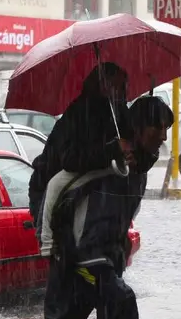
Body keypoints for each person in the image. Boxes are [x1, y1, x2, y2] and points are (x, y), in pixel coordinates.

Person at [7, 96, 181, 319]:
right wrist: (56, 246)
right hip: (81, 254)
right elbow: (64, 191)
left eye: (167, 129)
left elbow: (123, 214)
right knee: (122, 303)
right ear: (141, 127)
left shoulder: (137, 167)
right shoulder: (107, 160)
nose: (163, 136)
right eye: (158, 127)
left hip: (102, 254)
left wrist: (120, 249)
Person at [36, 63, 131, 258]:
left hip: (107, 174)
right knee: (55, 185)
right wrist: (112, 149)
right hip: (77, 174)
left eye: (123, 88)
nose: (122, 92)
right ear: (103, 84)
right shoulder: (79, 112)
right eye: (117, 87)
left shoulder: (118, 110)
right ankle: (47, 239)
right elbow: (71, 160)